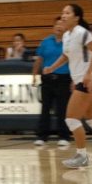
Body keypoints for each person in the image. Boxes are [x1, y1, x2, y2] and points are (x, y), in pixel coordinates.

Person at [43, 4, 92, 169]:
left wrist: (89, 74)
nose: (63, 15)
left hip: (87, 81)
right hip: (79, 81)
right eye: (62, 12)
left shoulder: (82, 33)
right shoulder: (67, 35)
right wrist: (51, 68)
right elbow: (65, 56)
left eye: (67, 13)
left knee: (71, 118)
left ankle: (82, 155)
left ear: (76, 17)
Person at [31, 18, 72, 148]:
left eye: (62, 24)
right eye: (56, 24)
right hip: (47, 79)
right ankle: (42, 136)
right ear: (53, 27)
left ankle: (64, 136)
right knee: (45, 108)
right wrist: (34, 75)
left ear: (66, 27)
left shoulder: (69, 42)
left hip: (64, 79)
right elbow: (39, 59)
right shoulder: (46, 42)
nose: (59, 26)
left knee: (62, 109)